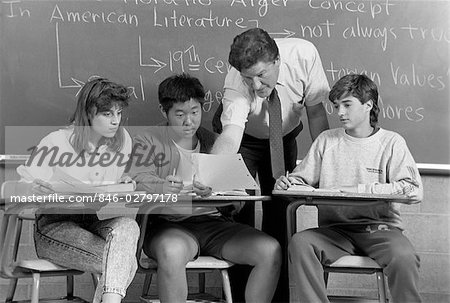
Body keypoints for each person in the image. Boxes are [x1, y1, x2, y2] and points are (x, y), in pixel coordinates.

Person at [130, 73, 281, 303]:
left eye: (194, 112)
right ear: (164, 112)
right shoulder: (148, 141)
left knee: (269, 250)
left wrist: (217, 191)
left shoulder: (217, 143)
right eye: (179, 114)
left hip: (215, 226)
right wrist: (162, 186)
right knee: (172, 252)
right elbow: (136, 179)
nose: (188, 121)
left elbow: (239, 198)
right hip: (170, 226)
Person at [275, 74, 423, 302]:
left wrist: (366, 190)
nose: (339, 113)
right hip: (335, 231)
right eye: (336, 106)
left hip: (379, 230)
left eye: (347, 105)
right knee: (301, 243)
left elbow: (413, 190)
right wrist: (288, 183)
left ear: (368, 105)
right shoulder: (326, 140)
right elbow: (301, 180)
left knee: (404, 256)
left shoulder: (392, 142)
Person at [211, 27, 330, 302]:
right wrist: (216, 174)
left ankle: (277, 299)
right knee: (239, 211)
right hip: (245, 138)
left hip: (284, 134)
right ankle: (240, 297)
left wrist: (322, 167)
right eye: (247, 78)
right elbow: (230, 136)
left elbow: (315, 112)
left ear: (277, 62)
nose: (255, 86)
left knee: (281, 212)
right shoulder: (236, 83)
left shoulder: (304, 55)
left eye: (262, 76)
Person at [16, 78, 140, 303]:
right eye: (108, 114)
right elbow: (23, 185)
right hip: (54, 227)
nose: (115, 121)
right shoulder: (56, 142)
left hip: (91, 223)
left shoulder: (121, 143)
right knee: (124, 262)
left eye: (119, 113)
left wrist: (122, 184)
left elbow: (105, 189)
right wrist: (37, 188)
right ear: (89, 112)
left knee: (128, 225)